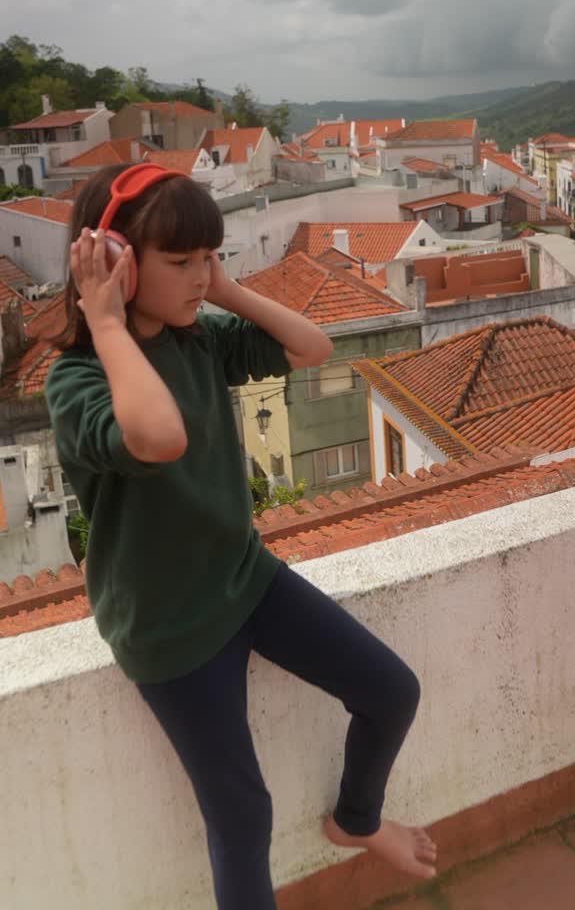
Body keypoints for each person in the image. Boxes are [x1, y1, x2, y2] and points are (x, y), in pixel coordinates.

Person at [45, 163, 437, 910]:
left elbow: (312, 348)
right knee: (242, 815)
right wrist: (105, 322)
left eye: (208, 256)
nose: (199, 275)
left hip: (245, 578)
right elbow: (159, 437)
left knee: (391, 691)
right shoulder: (76, 379)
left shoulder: (199, 338)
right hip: (170, 626)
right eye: (180, 260)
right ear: (115, 260)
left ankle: (356, 821)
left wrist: (222, 289)